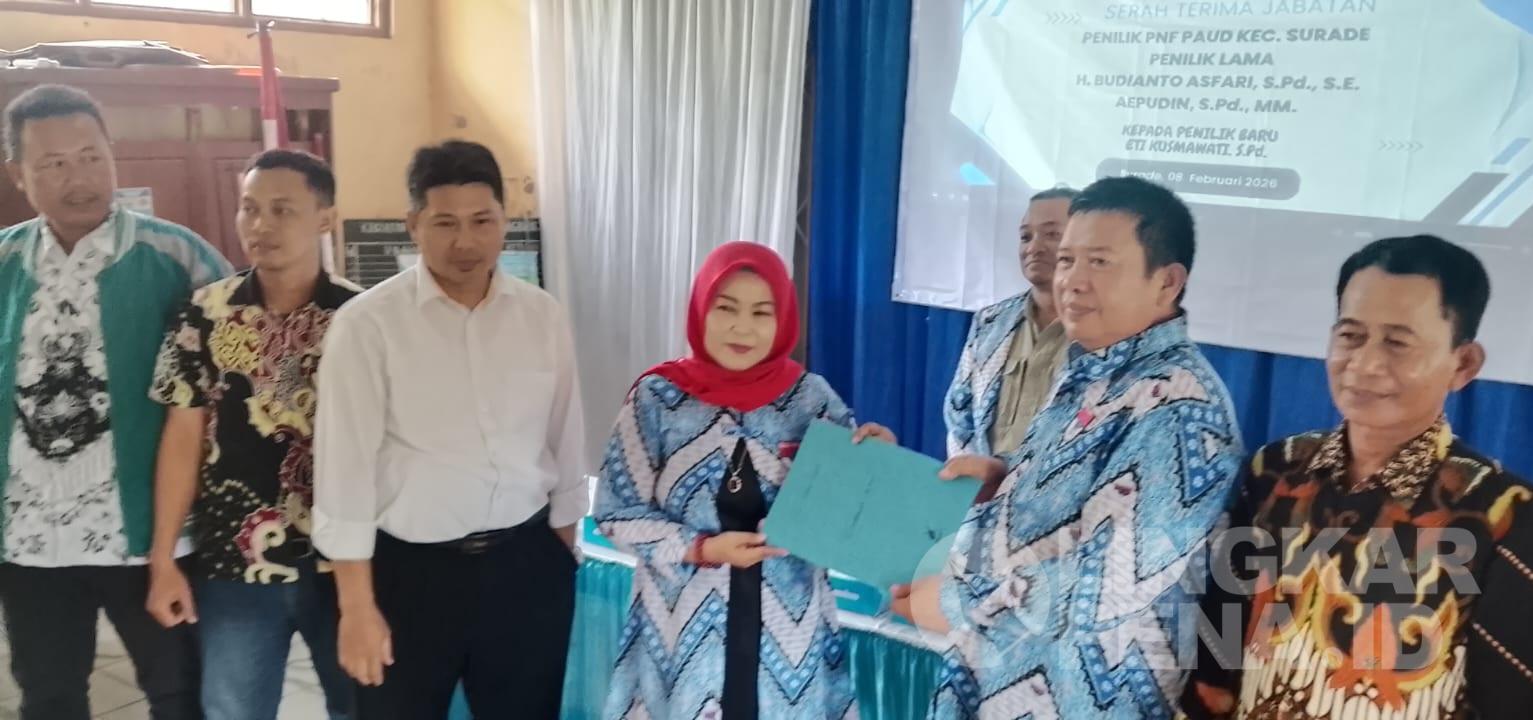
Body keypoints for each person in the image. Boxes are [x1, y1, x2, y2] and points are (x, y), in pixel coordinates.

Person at [892, 176, 1245, 719]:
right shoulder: (1094, 373)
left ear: (1167, 282)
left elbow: (1111, 584)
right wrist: (1004, 478)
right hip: (1000, 675)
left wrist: (958, 601)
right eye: (1067, 260)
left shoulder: (1180, 406)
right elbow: (1076, 508)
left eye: (1099, 262)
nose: (1072, 282)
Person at [1181, 235, 1533, 720]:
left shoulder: (1503, 513)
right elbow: (1216, 657)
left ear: (1463, 363)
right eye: (1350, 336)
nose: (1364, 364)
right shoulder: (1273, 472)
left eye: (1397, 343)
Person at [312, 140, 586, 719]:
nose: (465, 242)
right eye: (445, 223)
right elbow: (344, 473)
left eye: (482, 221)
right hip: (411, 576)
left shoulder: (542, 316)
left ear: (504, 221)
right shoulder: (367, 326)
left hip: (525, 567)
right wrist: (356, 608)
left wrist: (558, 556)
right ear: (413, 224)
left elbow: (564, 438)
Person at [0, 84, 230, 720]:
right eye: (54, 163)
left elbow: (233, 379)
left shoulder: (178, 256)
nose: (79, 177)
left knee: (179, 693)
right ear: (18, 174)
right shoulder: (5, 261)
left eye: (90, 156)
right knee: (48, 697)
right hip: (29, 539)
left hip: (148, 536)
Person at [593, 241, 894, 719]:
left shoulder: (810, 400)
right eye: (726, 308)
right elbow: (616, 511)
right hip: (680, 628)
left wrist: (875, 457)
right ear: (700, 309)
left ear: (783, 319)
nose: (742, 327)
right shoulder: (657, 399)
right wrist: (701, 548)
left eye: (761, 312)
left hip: (788, 628)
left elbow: (847, 511)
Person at [145, 149, 359, 720]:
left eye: (282, 209)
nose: (261, 224)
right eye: (249, 208)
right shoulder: (202, 315)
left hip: (346, 561)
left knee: (363, 704)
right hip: (234, 563)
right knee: (234, 709)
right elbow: (182, 438)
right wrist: (163, 558)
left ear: (325, 218)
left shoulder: (361, 318)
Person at [944, 187, 1076, 459]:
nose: (1033, 248)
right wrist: (974, 477)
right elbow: (959, 414)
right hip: (980, 482)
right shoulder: (991, 322)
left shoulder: (1102, 332)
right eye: (1026, 237)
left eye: (1053, 235)